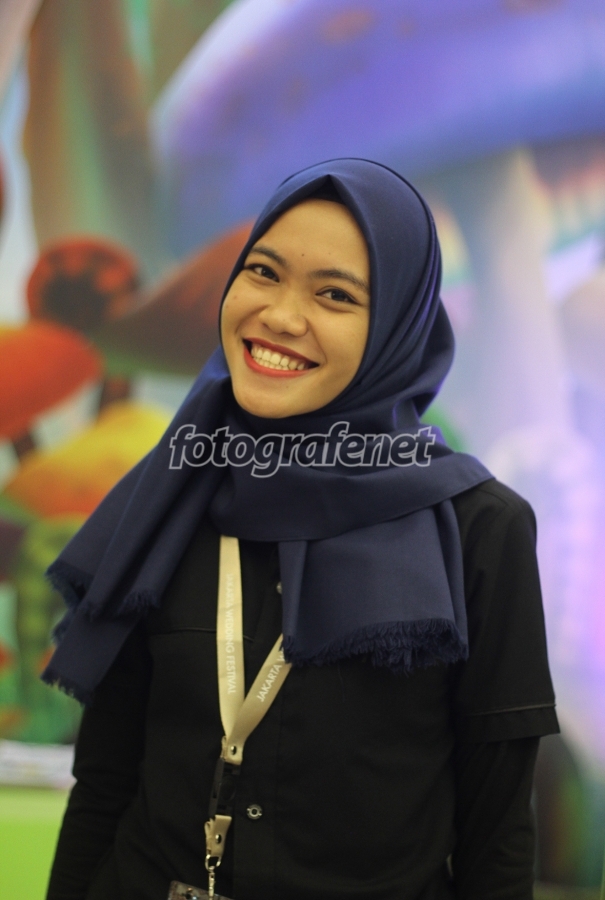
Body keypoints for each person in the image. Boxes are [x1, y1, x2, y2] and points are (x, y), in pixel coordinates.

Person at [44, 159, 558, 900]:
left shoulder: (478, 528)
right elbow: (103, 786)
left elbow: (497, 835)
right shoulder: (169, 492)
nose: (281, 317)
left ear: (396, 328)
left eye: (335, 295)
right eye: (263, 272)